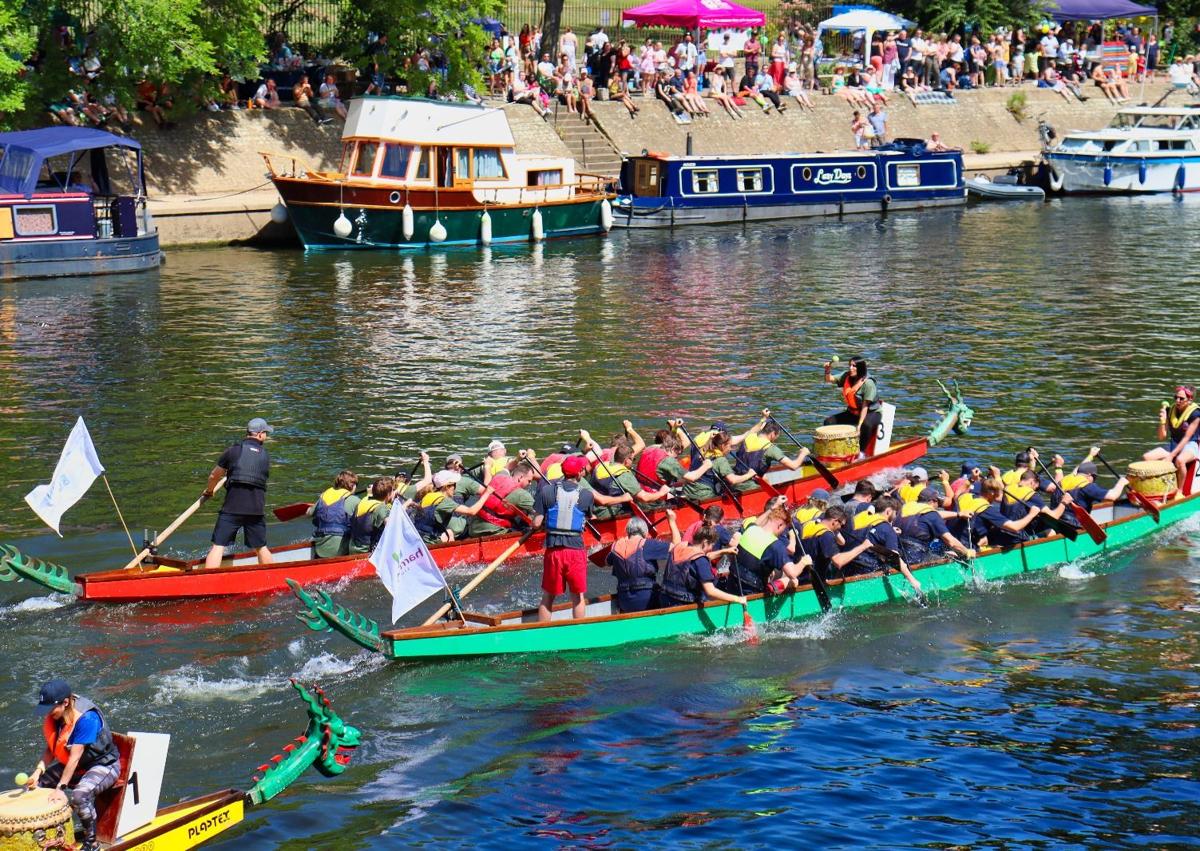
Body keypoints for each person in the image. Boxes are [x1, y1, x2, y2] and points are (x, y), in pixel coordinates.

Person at [27, 679, 121, 851]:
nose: (47, 714)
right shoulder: (56, 715)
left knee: (79, 796)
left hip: (104, 766)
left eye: (50, 709)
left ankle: (92, 843)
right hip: (78, 766)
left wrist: (60, 788)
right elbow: (52, 747)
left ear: (65, 702)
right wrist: (37, 772)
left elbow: (74, 758)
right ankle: (47, 835)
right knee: (38, 786)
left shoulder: (86, 718)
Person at [203, 418, 274, 569]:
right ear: (260, 434)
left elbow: (214, 476)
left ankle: (208, 582)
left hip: (232, 507)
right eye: (266, 433)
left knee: (218, 546)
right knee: (261, 546)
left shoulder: (233, 451)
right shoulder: (265, 456)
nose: (266, 436)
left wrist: (209, 491)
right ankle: (269, 576)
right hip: (256, 509)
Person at [533, 455, 596, 621]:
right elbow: (588, 516)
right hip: (575, 551)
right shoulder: (587, 495)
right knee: (577, 597)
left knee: (548, 597)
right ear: (579, 474)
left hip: (553, 551)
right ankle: (579, 632)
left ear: (562, 470)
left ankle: (542, 632)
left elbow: (536, 523)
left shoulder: (547, 491)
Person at [658, 520, 747, 609]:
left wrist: (725, 551)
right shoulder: (700, 561)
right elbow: (710, 592)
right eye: (712, 545)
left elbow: (698, 559)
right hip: (683, 603)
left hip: (665, 597)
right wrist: (738, 599)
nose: (712, 548)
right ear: (705, 542)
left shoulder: (680, 547)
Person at [724, 505, 811, 595]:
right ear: (780, 525)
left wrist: (772, 508)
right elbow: (792, 573)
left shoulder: (751, 529)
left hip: (732, 583)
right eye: (783, 529)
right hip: (751, 592)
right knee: (793, 581)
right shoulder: (776, 545)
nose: (782, 532)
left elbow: (757, 523)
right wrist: (804, 562)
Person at [608, 512, 675, 612]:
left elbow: (606, 562)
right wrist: (672, 521)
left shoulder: (616, 547)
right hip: (647, 600)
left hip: (624, 601)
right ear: (645, 532)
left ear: (628, 531)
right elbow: (677, 547)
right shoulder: (648, 545)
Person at [412, 470, 495, 543]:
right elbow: (472, 511)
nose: (455, 489)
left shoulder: (428, 495)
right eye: (454, 485)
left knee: (450, 532)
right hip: (430, 541)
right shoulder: (444, 501)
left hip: (420, 537)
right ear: (447, 487)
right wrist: (487, 493)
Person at [897, 487, 975, 564]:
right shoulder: (931, 515)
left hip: (900, 557)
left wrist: (958, 514)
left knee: (944, 553)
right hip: (917, 561)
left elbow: (934, 515)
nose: (938, 506)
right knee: (952, 554)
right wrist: (967, 552)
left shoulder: (906, 508)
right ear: (933, 501)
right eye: (938, 503)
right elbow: (951, 542)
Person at [823, 356, 883, 455]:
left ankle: (861, 454)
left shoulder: (868, 383)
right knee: (828, 422)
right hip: (853, 412)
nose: (851, 368)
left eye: (854, 366)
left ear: (860, 368)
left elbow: (865, 406)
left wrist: (859, 426)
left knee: (865, 425)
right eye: (850, 365)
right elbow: (829, 379)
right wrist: (827, 370)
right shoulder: (847, 376)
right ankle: (832, 452)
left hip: (871, 413)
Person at [1144, 386, 1200, 486]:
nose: (1177, 401)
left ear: (1190, 399)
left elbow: (1187, 438)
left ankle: (1179, 491)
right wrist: (1162, 421)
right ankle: (1155, 487)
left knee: (1180, 460)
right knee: (1147, 457)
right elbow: (1162, 437)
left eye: (1181, 399)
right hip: (1174, 443)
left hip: (1190, 445)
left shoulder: (1196, 414)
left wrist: (1171, 455)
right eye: (1176, 397)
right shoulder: (1170, 410)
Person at [469, 459, 540, 536]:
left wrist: (518, 458)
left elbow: (506, 468)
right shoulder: (522, 495)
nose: (530, 484)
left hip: (474, 529)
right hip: (493, 531)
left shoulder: (499, 476)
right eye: (529, 481)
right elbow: (540, 510)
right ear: (521, 477)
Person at [309, 470, 360, 558]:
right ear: (353, 486)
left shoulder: (324, 495)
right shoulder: (354, 500)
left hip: (320, 548)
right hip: (340, 550)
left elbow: (309, 513)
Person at [349, 476, 398, 554]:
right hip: (367, 552)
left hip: (353, 548)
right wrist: (406, 505)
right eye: (393, 491)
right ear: (388, 494)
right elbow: (392, 526)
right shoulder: (381, 508)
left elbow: (370, 495)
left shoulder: (364, 500)